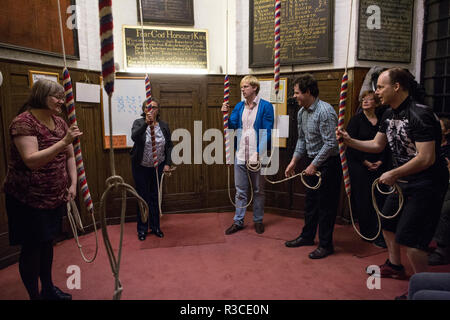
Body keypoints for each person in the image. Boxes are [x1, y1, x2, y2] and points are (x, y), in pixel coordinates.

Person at [336, 68, 449, 293]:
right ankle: (395, 265)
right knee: (387, 225)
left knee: (412, 240)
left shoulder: (421, 114)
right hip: (404, 182)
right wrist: (350, 141)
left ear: (396, 87)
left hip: (427, 184)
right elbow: (377, 145)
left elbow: (426, 158)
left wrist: (394, 173)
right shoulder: (388, 114)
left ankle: (422, 289)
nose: (376, 92)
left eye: (380, 87)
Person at [2, 79, 81, 300]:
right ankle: (34, 296)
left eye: (62, 96)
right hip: (27, 200)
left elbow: (70, 156)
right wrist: (64, 140)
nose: (61, 100)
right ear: (41, 96)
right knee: (32, 249)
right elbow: (31, 161)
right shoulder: (23, 123)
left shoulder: (59, 122)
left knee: (47, 245)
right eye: (56, 96)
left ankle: (48, 289)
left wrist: (72, 183)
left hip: (53, 197)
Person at [284, 73, 342, 259]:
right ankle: (307, 237)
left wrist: (315, 165)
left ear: (308, 92)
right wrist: (294, 161)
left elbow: (331, 143)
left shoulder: (324, 111)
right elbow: (302, 139)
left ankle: (326, 245)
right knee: (310, 204)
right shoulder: (302, 112)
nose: (294, 96)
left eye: (296, 93)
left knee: (326, 207)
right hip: (312, 162)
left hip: (328, 164)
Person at [221, 75, 274, 235]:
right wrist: (225, 114)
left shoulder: (266, 106)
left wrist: (258, 152)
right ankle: (238, 221)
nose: (242, 90)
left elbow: (267, 132)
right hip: (240, 153)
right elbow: (232, 126)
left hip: (256, 155)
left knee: (258, 190)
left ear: (254, 88)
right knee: (240, 190)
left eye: (245, 87)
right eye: (242, 87)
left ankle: (258, 220)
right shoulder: (239, 106)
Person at [346, 90, 389, 248]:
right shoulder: (356, 120)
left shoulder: (381, 121)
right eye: (363, 99)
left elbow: (386, 145)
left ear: (376, 103)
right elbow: (349, 145)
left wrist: (380, 161)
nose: (365, 101)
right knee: (363, 198)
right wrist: (365, 162)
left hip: (379, 165)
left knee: (379, 198)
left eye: (369, 99)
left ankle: (380, 231)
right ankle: (367, 232)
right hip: (360, 165)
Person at [130, 98, 173, 240]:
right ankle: (142, 229)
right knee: (143, 197)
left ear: (158, 110)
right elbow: (135, 137)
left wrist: (167, 163)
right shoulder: (139, 123)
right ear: (144, 110)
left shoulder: (163, 125)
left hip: (157, 165)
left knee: (155, 196)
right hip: (141, 166)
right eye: (149, 107)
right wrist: (146, 125)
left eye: (154, 107)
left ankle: (155, 227)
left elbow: (169, 146)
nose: (152, 109)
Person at [428, 114, 450, 265]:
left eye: (440, 126)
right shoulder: (431, 145)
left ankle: (441, 250)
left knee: (445, 210)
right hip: (435, 182)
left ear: (446, 131)